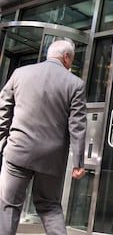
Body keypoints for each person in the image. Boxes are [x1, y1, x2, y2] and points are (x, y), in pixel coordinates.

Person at [0, 39, 87, 235]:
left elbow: (3, 109)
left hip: (18, 151)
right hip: (51, 158)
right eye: (71, 60)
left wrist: (2, 143)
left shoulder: (20, 73)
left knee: (8, 207)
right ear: (66, 58)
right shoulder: (75, 84)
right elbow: (78, 125)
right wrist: (79, 162)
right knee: (50, 207)